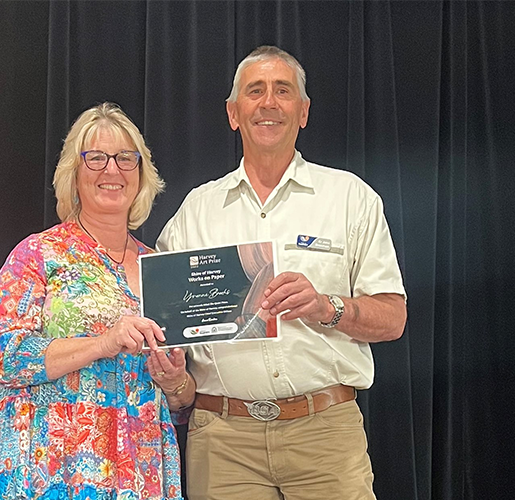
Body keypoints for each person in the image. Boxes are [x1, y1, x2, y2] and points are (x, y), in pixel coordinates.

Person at [157, 46, 407, 500]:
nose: (268, 102)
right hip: (222, 442)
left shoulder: (351, 198)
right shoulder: (195, 210)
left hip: (326, 436)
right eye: (255, 91)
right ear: (234, 114)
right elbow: (166, 319)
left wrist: (325, 306)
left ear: (303, 111)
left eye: (282, 91)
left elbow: (392, 318)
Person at [0, 103, 189, 500]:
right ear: (73, 174)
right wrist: (102, 344)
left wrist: (174, 382)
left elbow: (181, 398)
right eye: (96, 158)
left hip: (137, 467)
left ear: (141, 175)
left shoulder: (161, 267)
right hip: (52, 465)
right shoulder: (39, 254)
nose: (112, 170)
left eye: (125, 158)